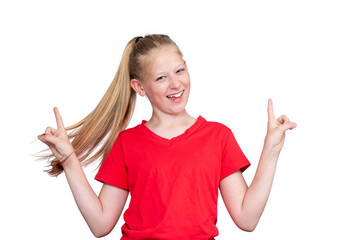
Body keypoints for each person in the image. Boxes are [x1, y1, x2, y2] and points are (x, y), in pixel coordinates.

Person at [38, 34, 297, 239]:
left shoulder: (218, 137)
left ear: (187, 68)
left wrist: (271, 149)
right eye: (161, 78)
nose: (175, 85)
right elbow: (100, 224)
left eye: (179, 71)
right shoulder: (128, 143)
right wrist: (69, 160)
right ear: (140, 87)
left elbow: (247, 219)